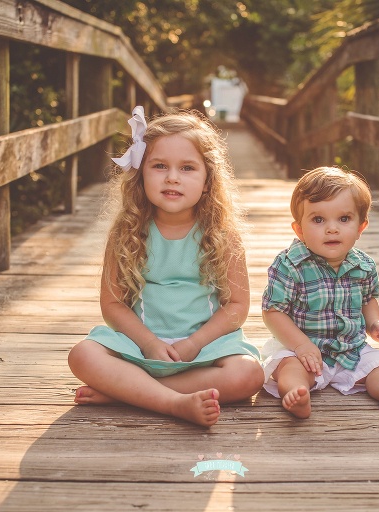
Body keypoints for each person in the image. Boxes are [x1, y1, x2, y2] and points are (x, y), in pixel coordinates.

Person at [68, 106, 265, 427]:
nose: (172, 177)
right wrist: (148, 342)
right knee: (82, 355)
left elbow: (238, 307)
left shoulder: (223, 235)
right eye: (159, 166)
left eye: (187, 168)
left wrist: (193, 344)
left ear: (207, 181)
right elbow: (113, 304)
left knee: (249, 373)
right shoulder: (127, 231)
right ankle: (173, 402)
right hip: (141, 346)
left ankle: (129, 393)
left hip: (205, 350)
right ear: (141, 173)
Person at [261, 167, 379, 419]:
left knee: (378, 364)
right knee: (287, 366)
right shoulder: (290, 265)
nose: (332, 229)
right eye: (318, 219)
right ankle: (296, 392)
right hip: (302, 347)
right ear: (299, 229)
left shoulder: (363, 265)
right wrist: (301, 345)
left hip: (350, 348)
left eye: (344, 219)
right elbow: (273, 312)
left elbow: (368, 300)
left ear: (361, 227)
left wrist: (374, 324)